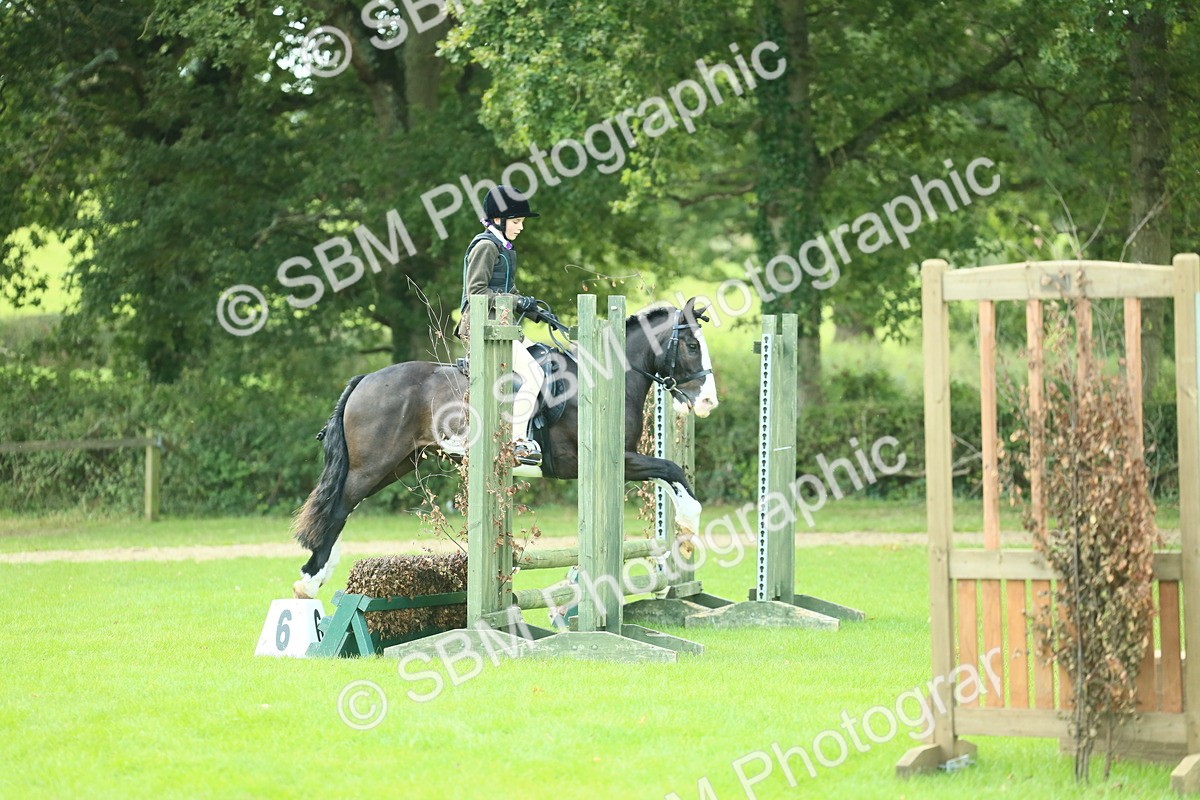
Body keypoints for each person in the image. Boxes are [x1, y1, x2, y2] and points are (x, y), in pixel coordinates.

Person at [454, 185, 546, 465]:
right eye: (516, 222)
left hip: (500, 324)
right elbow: (477, 293)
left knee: (544, 357)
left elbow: (507, 290)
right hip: (481, 325)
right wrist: (515, 303)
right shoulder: (485, 246)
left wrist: (533, 309)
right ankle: (516, 443)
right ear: (498, 220)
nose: (520, 228)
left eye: (521, 222)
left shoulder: (504, 249)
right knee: (534, 376)